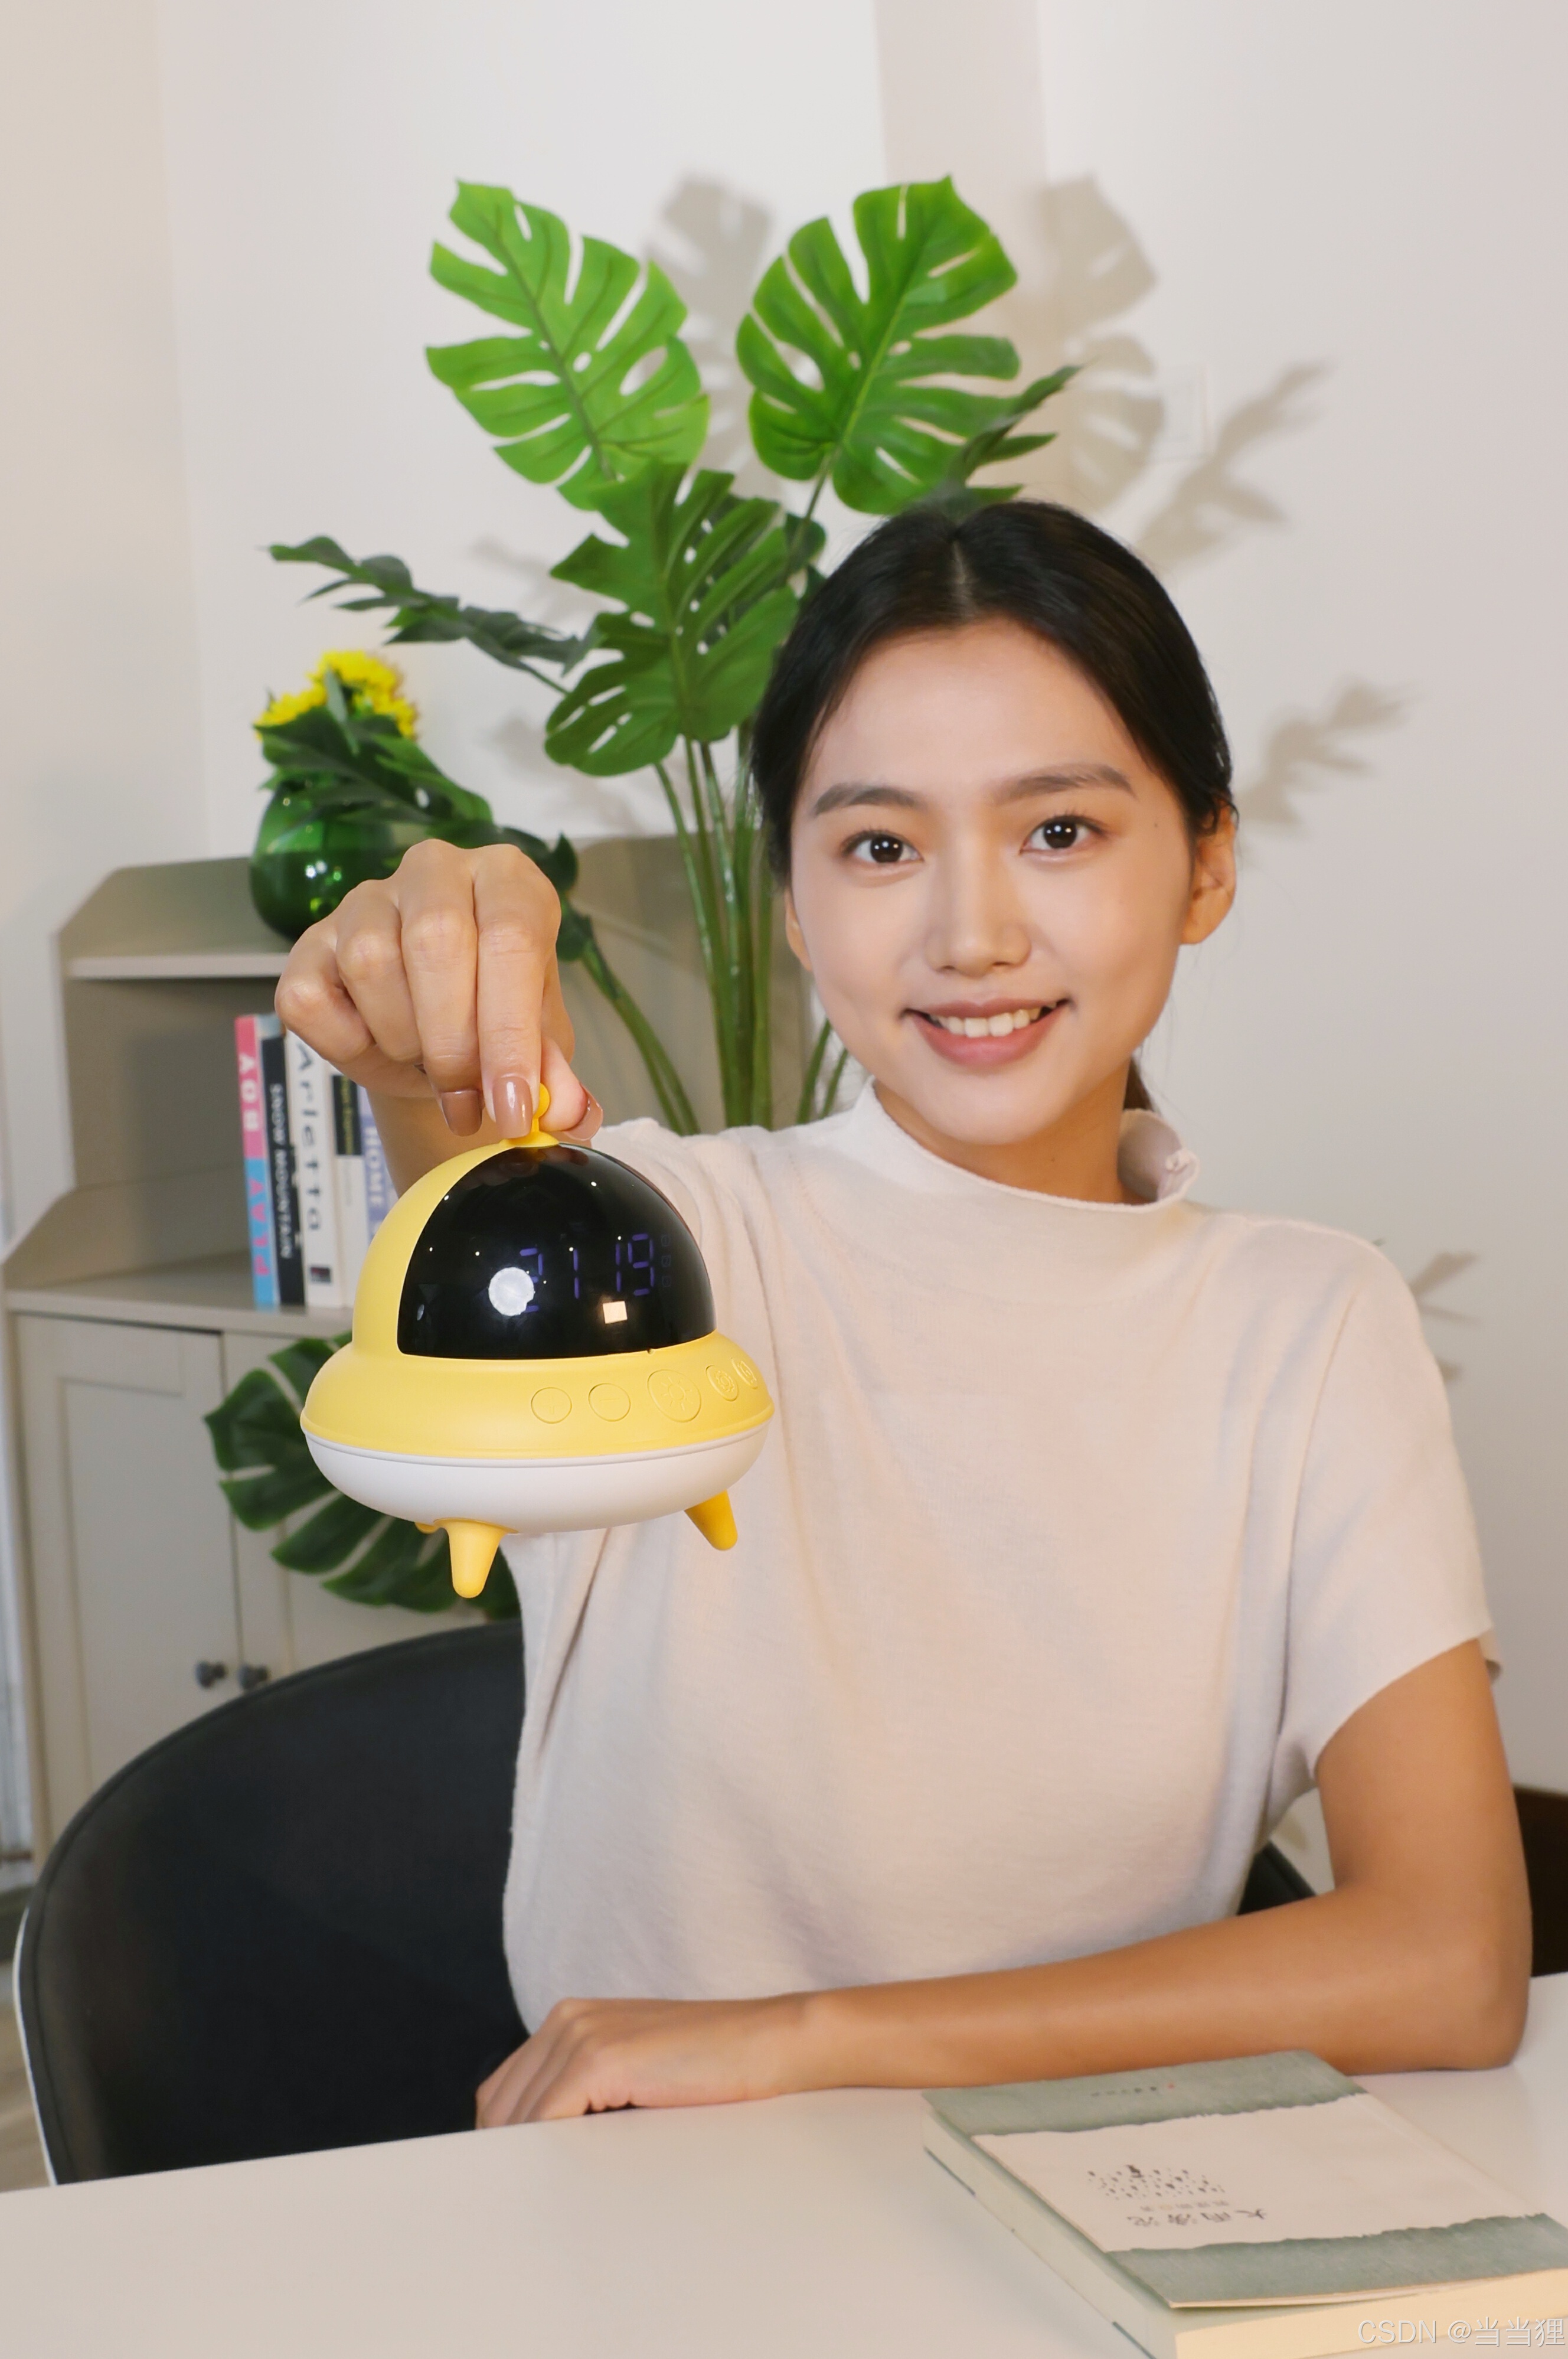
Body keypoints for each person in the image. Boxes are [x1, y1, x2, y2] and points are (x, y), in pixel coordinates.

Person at [276, 500, 1528, 2129]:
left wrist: (806, 2037)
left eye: (1060, 830)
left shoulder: (1308, 1325)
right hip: (655, 2189)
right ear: (794, 904)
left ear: (1207, 861)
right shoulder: (657, 1252)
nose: (973, 936)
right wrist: (431, 1018)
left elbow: (1447, 1958)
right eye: (881, 846)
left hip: (1090, 2184)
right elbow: (468, 1188)